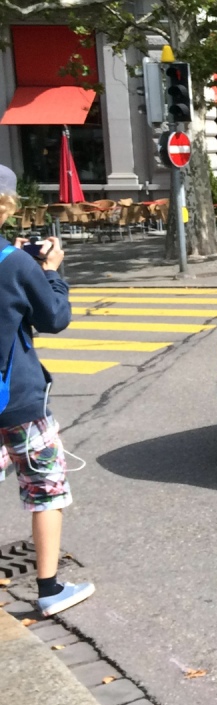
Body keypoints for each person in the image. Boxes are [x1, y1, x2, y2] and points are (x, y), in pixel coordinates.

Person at [0, 165, 93, 617]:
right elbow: (53, 316)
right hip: (17, 401)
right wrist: (52, 271)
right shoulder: (14, 263)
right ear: (6, 206)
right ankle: (51, 588)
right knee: (44, 487)